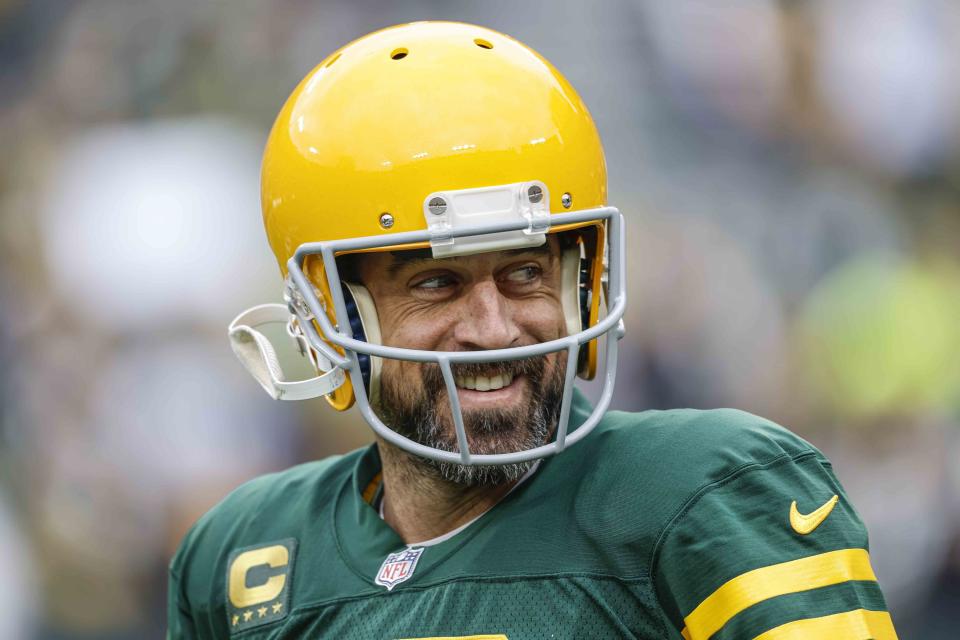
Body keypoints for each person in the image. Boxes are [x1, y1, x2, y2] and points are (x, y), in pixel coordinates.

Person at [168, 22, 898, 639]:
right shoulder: (243, 554)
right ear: (331, 315)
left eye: (523, 274)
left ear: (581, 278)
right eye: (436, 283)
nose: (494, 328)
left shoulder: (701, 493)